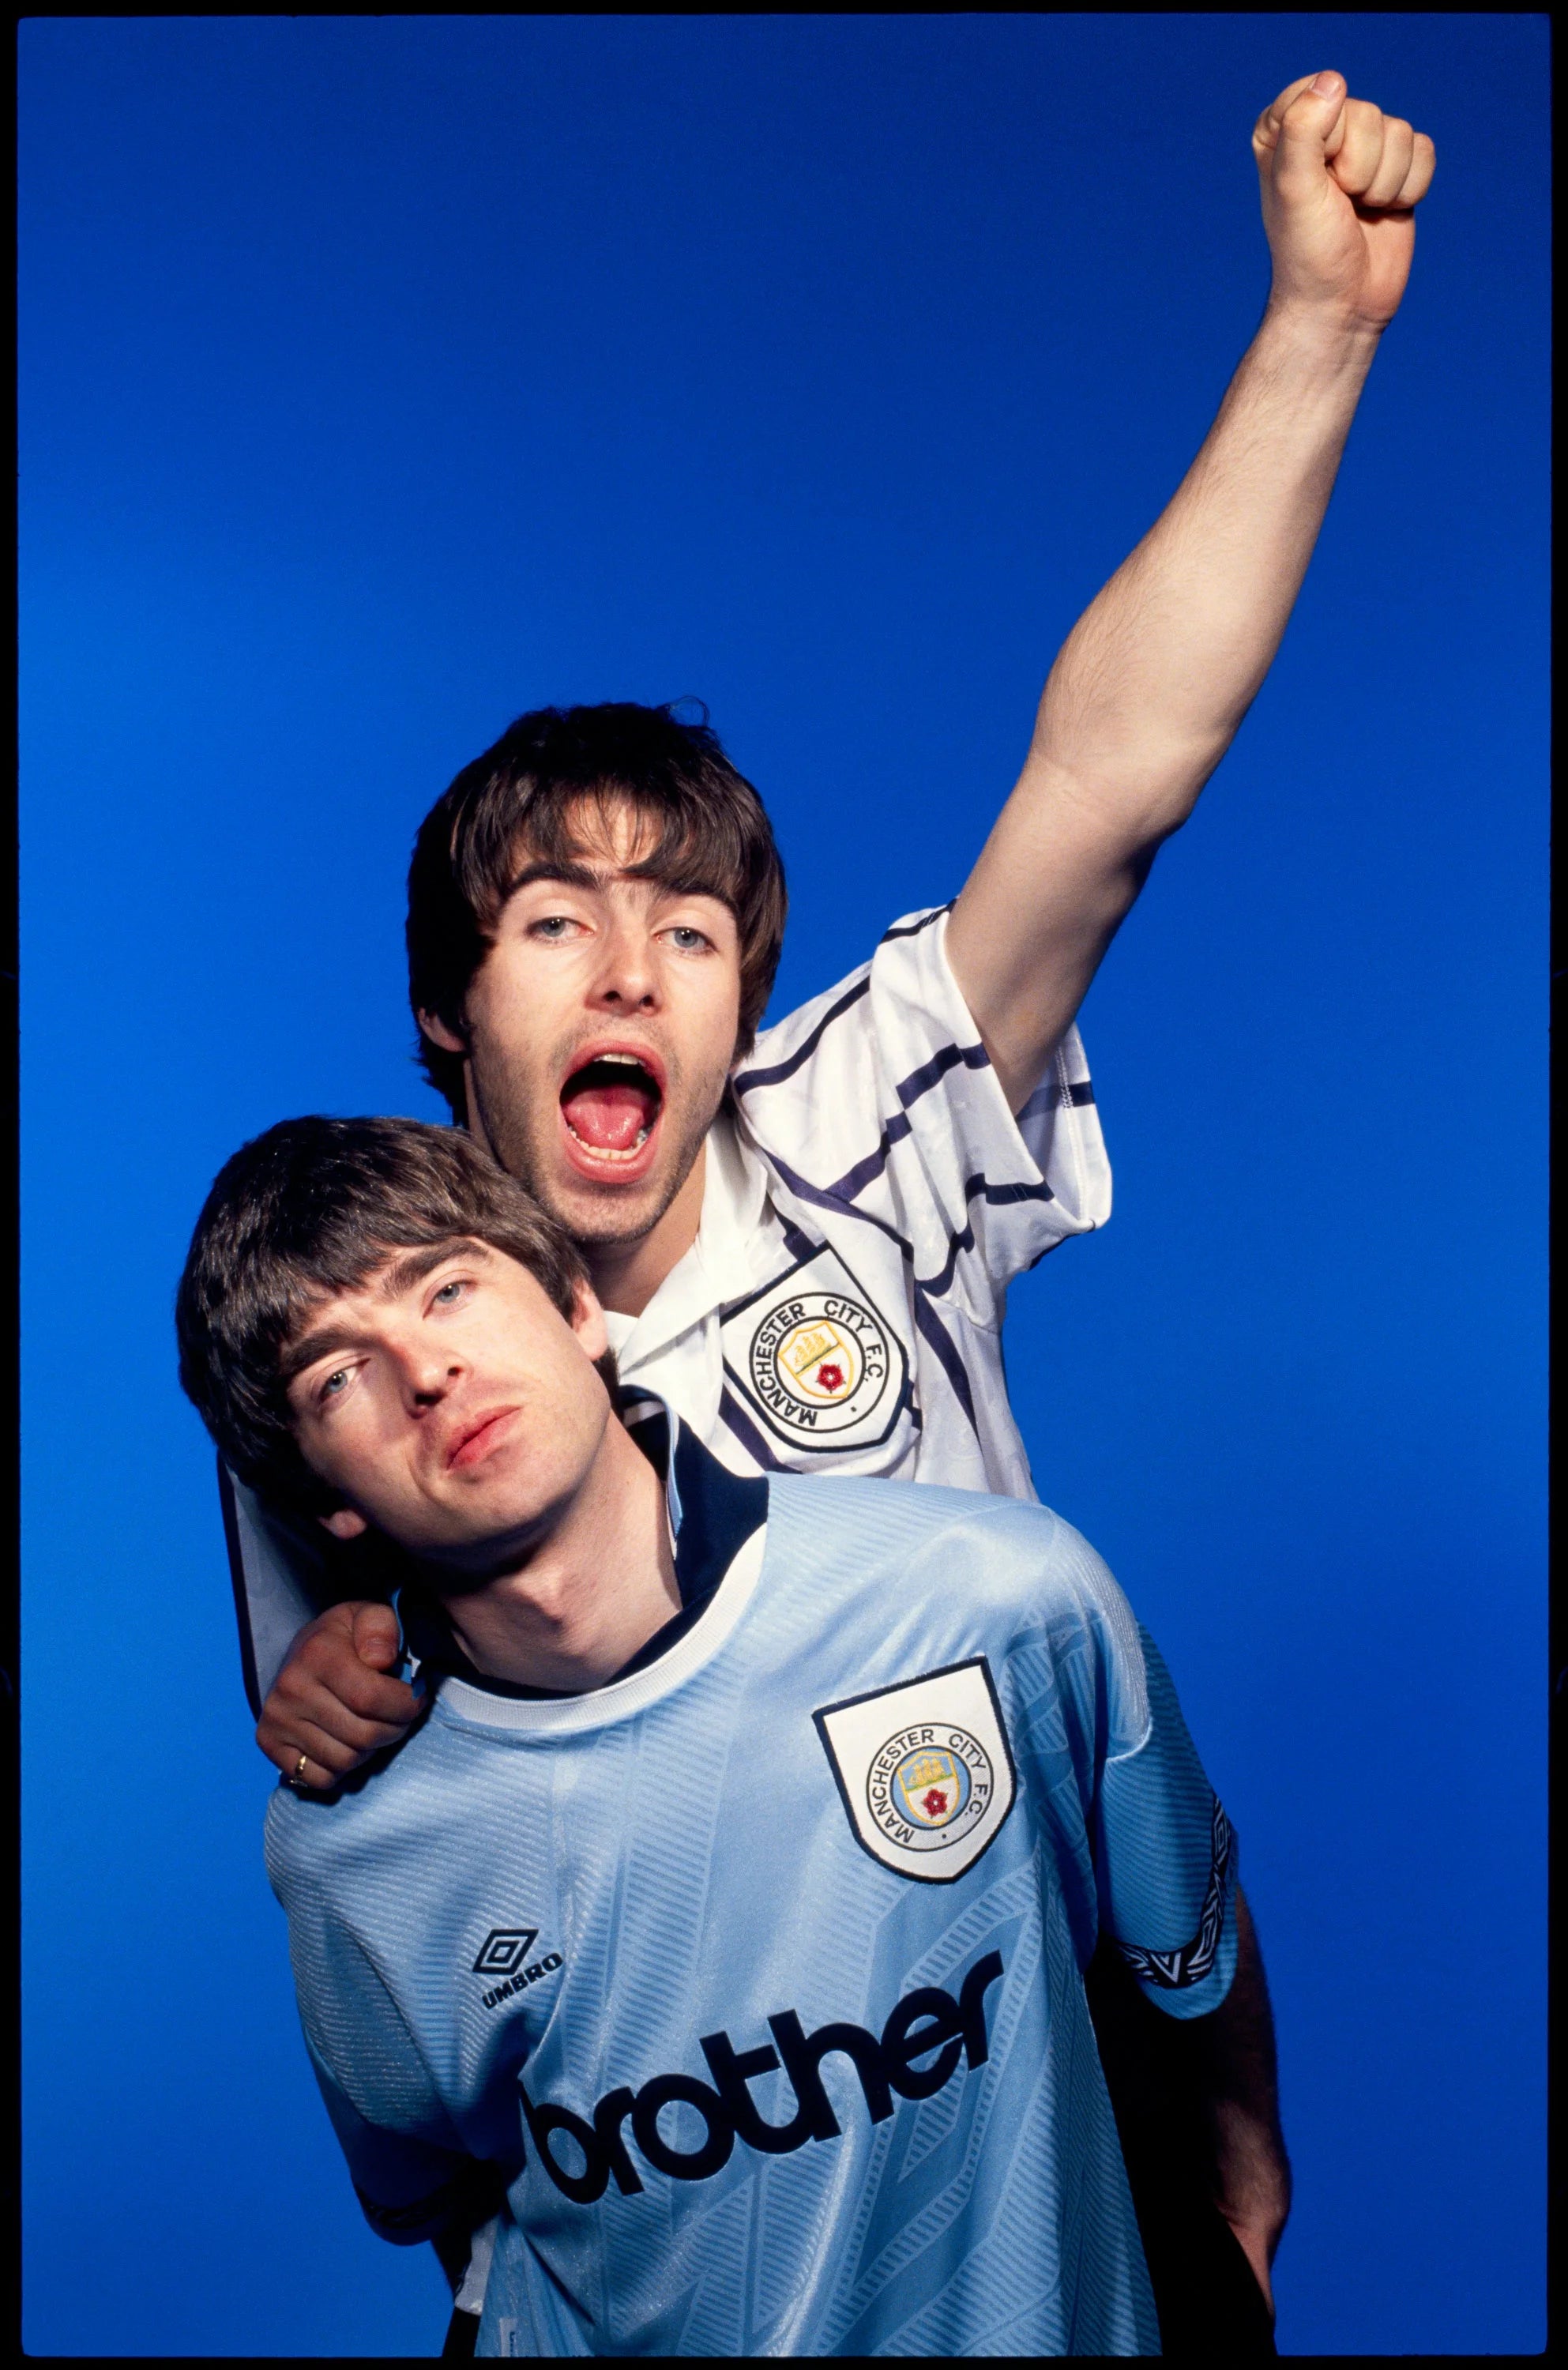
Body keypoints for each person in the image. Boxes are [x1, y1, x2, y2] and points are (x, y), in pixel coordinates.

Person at [216, 66, 1428, 2349]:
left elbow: (1110, 775)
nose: (631, 964)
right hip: (688, 2196)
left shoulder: (855, 1121)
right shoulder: (362, 1333)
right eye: (555, 923)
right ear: (444, 1019)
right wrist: (323, 1680)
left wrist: (1316, 332)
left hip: (1015, 2111)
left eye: (686, 926)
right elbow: (363, 1825)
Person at [177, 1115, 1289, 2359]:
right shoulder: (344, 1851)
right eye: (339, 1375)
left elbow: (1182, 1948)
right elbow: (452, 2211)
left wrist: (1238, 2225)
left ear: (574, 1308)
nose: (425, 1371)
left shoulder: (994, 1596)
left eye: (448, 1288)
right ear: (322, 1499)